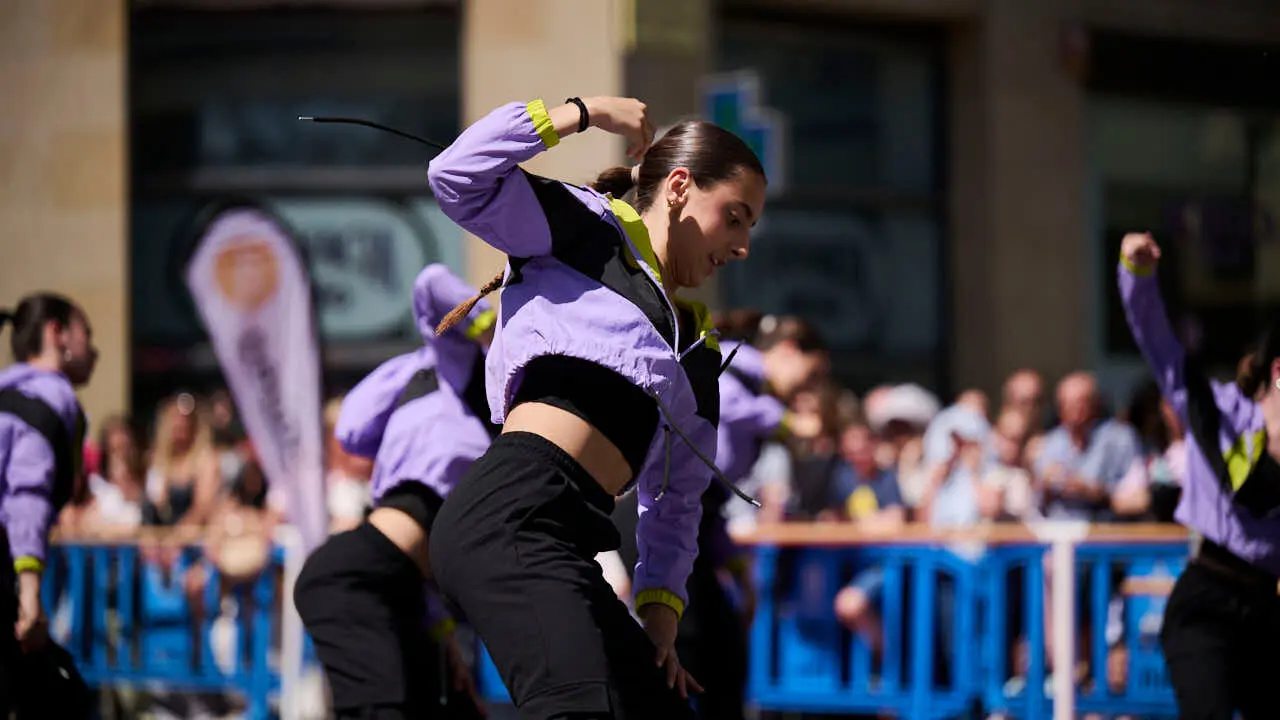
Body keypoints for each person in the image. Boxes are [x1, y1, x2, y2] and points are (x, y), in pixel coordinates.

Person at [426, 95, 766, 719]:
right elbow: (456, 174)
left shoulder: (697, 350)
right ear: (681, 188)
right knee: (578, 708)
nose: (743, 245)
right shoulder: (587, 229)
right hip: (510, 513)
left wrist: (660, 617)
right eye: (736, 217)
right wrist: (587, 112)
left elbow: (676, 501)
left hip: (567, 533)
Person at [293, 264, 497, 719]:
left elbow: (417, 565)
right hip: (353, 577)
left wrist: (444, 636)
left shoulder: (502, 418)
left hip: (398, 584)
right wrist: (490, 329)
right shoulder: (458, 368)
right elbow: (430, 283)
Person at [1119, 230, 1280, 719]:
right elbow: (1160, 346)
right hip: (1206, 601)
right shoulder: (1220, 409)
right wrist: (1137, 273)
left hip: (1267, 608)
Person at [0, 292, 98, 718]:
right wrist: (30, 591)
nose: (94, 350)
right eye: (87, 334)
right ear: (57, 334)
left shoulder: (9, 397)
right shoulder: (50, 402)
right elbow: (26, 496)